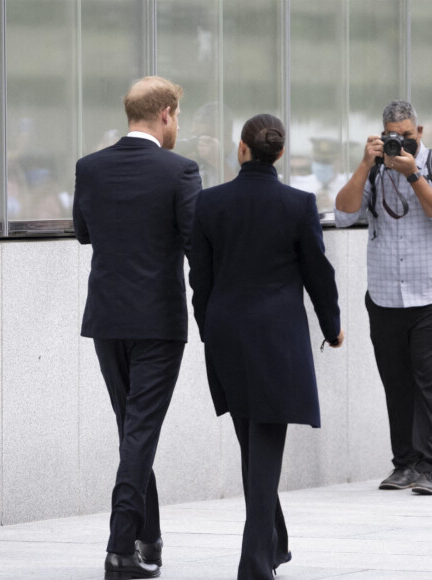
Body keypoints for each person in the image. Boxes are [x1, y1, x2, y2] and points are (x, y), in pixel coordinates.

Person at [190, 114, 344, 580]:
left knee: (253, 447)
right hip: (277, 337)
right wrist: (332, 325)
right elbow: (318, 271)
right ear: (278, 153)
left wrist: (208, 331)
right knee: (265, 447)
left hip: (227, 334)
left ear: (242, 149)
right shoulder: (298, 203)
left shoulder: (209, 202)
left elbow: (200, 279)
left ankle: (273, 544)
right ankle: (255, 564)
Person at [72, 76, 201, 579]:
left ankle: (149, 536)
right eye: (177, 117)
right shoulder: (180, 170)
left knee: (133, 431)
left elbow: (84, 233)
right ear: (166, 113)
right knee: (140, 431)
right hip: (159, 322)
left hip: (107, 320)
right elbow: (196, 245)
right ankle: (120, 547)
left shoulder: (91, 167)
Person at [335, 100, 432, 495]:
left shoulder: (426, 165)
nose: (401, 143)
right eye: (393, 136)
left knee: (427, 383)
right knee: (395, 382)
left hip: (426, 294)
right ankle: (404, 464)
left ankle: (428, 465)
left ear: (419, 133)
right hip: (385, 297)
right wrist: (364, 164)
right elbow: (343, 213)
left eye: (407, 136)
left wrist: (414, 176)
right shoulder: (374, 170)